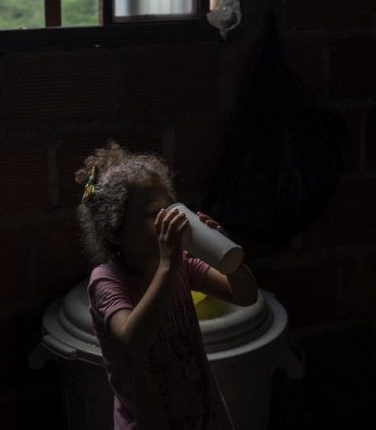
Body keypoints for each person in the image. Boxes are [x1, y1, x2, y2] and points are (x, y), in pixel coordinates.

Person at [75, 141, 259, 430]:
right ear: (115, 231)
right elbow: (135, 341)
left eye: (168, 208)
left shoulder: (182, 264)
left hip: (202, 417)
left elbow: (246, 296)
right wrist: (167, 268)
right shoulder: (106, 281)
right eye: (151, 214)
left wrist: (226, 256)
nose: (167, 220)